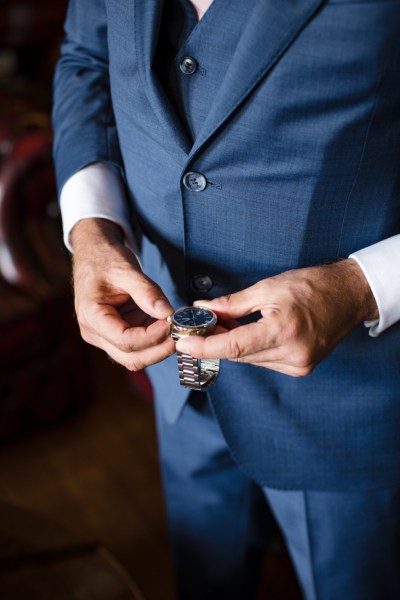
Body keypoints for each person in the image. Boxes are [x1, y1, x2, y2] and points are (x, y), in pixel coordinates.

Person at [52, 0, 400, 598]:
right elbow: (88, 57)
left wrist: (360, 285)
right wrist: (92, 227)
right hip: (179, 382)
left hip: (356, 401)